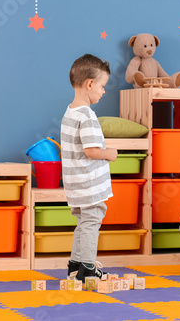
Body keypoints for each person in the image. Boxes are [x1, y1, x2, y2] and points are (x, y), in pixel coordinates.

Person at [61, 54, 118, 282]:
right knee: (92, 222)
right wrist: (110, 154)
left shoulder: (69, 112)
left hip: (75, 184)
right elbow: (91, 150)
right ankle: (87, 267)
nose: (103, 91)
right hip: (89, 185)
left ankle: (75, 264)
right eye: (102, 86)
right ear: (90, 84)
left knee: (82, 224)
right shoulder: (87, 116)